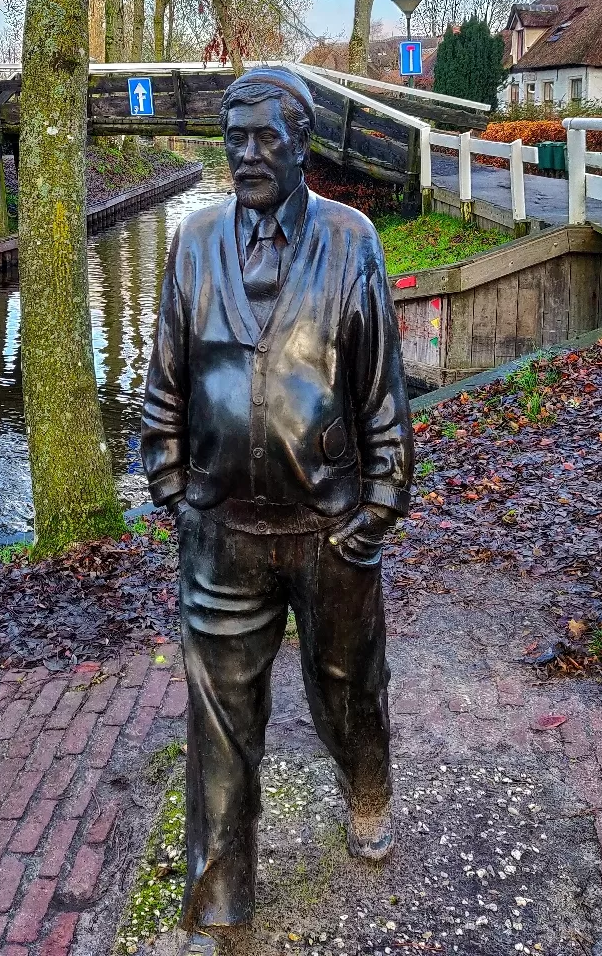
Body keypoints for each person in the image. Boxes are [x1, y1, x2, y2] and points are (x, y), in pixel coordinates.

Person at [141, 65, 414, 936]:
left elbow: (380, 389)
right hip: (219, 530)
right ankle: (222, 896)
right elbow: (166, 383)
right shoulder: (192, 243)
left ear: (304, 144)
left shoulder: (350, 240)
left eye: (267, 137)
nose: (248, 154)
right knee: (219, 724)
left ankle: (366, 784)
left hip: (329, 526)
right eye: (235, 138)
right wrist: (172, 486)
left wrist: (377, 510)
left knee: (345, 692)